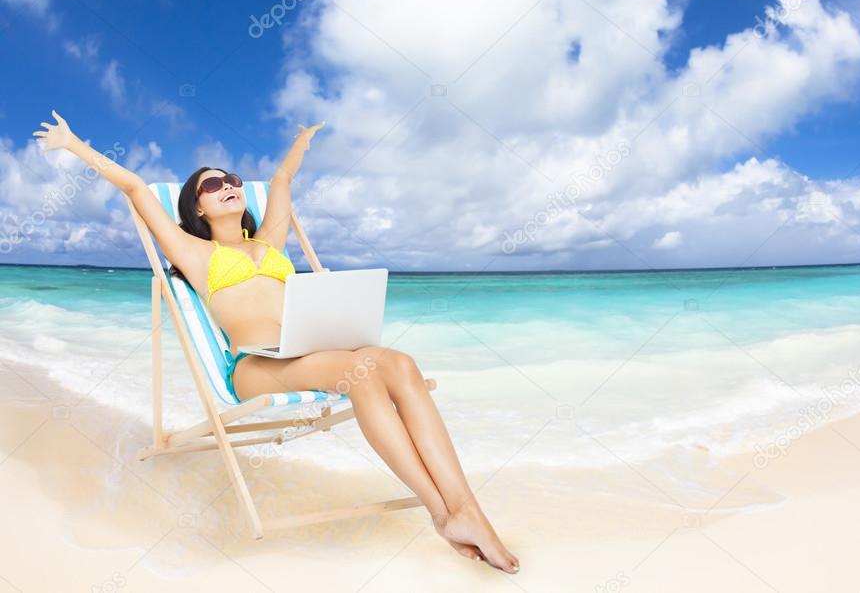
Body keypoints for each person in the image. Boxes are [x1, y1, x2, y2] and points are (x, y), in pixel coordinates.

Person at [33, 109, 519, 573]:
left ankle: (465, 508)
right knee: (366, 373)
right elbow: (136, 188)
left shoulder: (270, 243)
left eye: (234, 181)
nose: (228, 186)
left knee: (400, 364)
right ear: (196, 206)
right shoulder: (195, 252)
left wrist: (299, 144)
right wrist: (74, 145)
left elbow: (282, 182)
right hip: (255, 367)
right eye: (213, 184)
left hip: (311, 352)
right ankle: (442, 510)